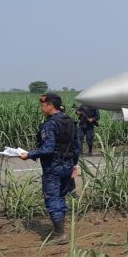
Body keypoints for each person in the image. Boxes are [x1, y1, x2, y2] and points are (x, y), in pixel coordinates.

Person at [19, 93, 81, 245]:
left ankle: (60, 234)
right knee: (61, 197)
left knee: (52, 198)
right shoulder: (71, 122)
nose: (41, 108)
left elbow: (48, 148)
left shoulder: (50, 125)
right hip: (67, 165)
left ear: (50, 106)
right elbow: (77, 146)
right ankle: (60, 229)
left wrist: (29, 154)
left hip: (53, 167)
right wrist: (74, 164)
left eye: (43, 105)